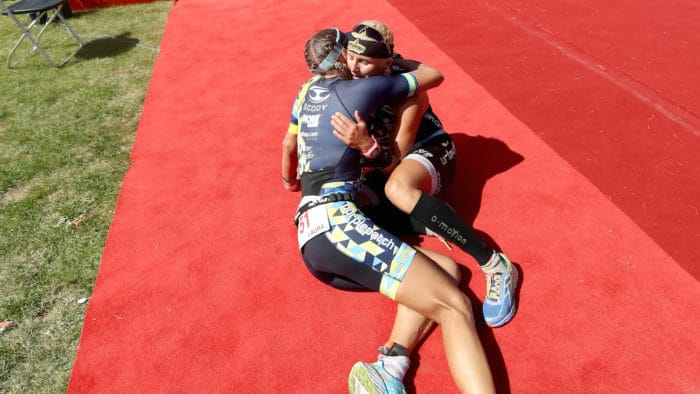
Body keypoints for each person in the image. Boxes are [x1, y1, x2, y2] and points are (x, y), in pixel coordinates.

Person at [281, 27, 496, 393]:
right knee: (455, 307)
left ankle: (389, 365)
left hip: (311, 233)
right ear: (342, 59)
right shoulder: (361, 89)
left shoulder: (305, 91)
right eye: (351, 52)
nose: (356, 58)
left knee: (446, 271)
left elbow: (288, 146)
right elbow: (432, 76)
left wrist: (290, 183)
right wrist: (393, 61)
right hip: (340, 227)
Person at [332, 21, 519, 330]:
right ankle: (436, 218)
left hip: (430, 151)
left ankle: (495, 264)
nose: (354, 66)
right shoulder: (350, 77)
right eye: (351, 56)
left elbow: (393, 160)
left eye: (364, 61)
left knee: (396, 188)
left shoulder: (409, 94)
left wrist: (365, 146)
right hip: (384, 156)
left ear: (387, 63)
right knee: (351, 205)